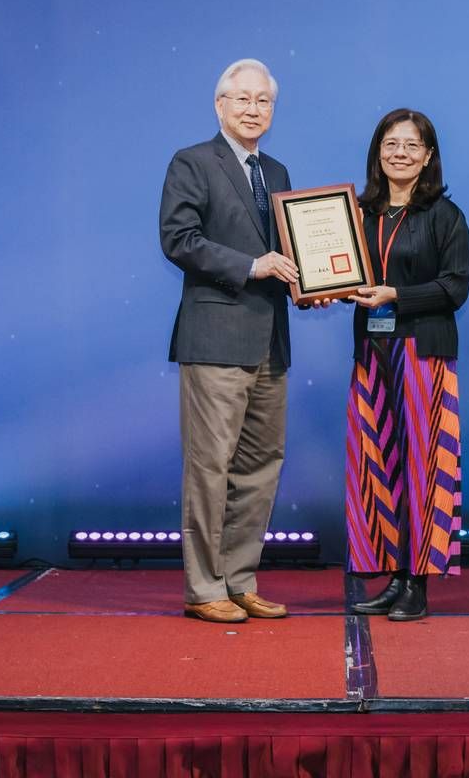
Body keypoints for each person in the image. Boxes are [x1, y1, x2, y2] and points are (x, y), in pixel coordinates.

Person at [158, 59, 301, 624]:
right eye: (242, 99)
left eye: (263, 101)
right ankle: (203, 587)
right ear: (220, 105)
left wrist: (312, 284)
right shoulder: (192, 162)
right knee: (210, 466)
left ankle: (240, 580)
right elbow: (178, 239)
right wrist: (252, 265)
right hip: (215, 339)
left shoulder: (278, 171)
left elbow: (287, 253)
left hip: (270, 341)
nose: (253, 109)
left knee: (262, 465)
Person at [343, 108, 469, 621]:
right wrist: (324, 290)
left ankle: (419, 583)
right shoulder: (359, 213)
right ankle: (394, 575)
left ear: (428, 155)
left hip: (422, 351)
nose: (400, 153)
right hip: (372, 353)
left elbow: (455, 287)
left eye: (412, 145)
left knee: (425, 464)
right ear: (378, 151)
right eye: (391, 143)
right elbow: (340, 273)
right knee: (377, 466)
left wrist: (397, 295)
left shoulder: (444, 215)